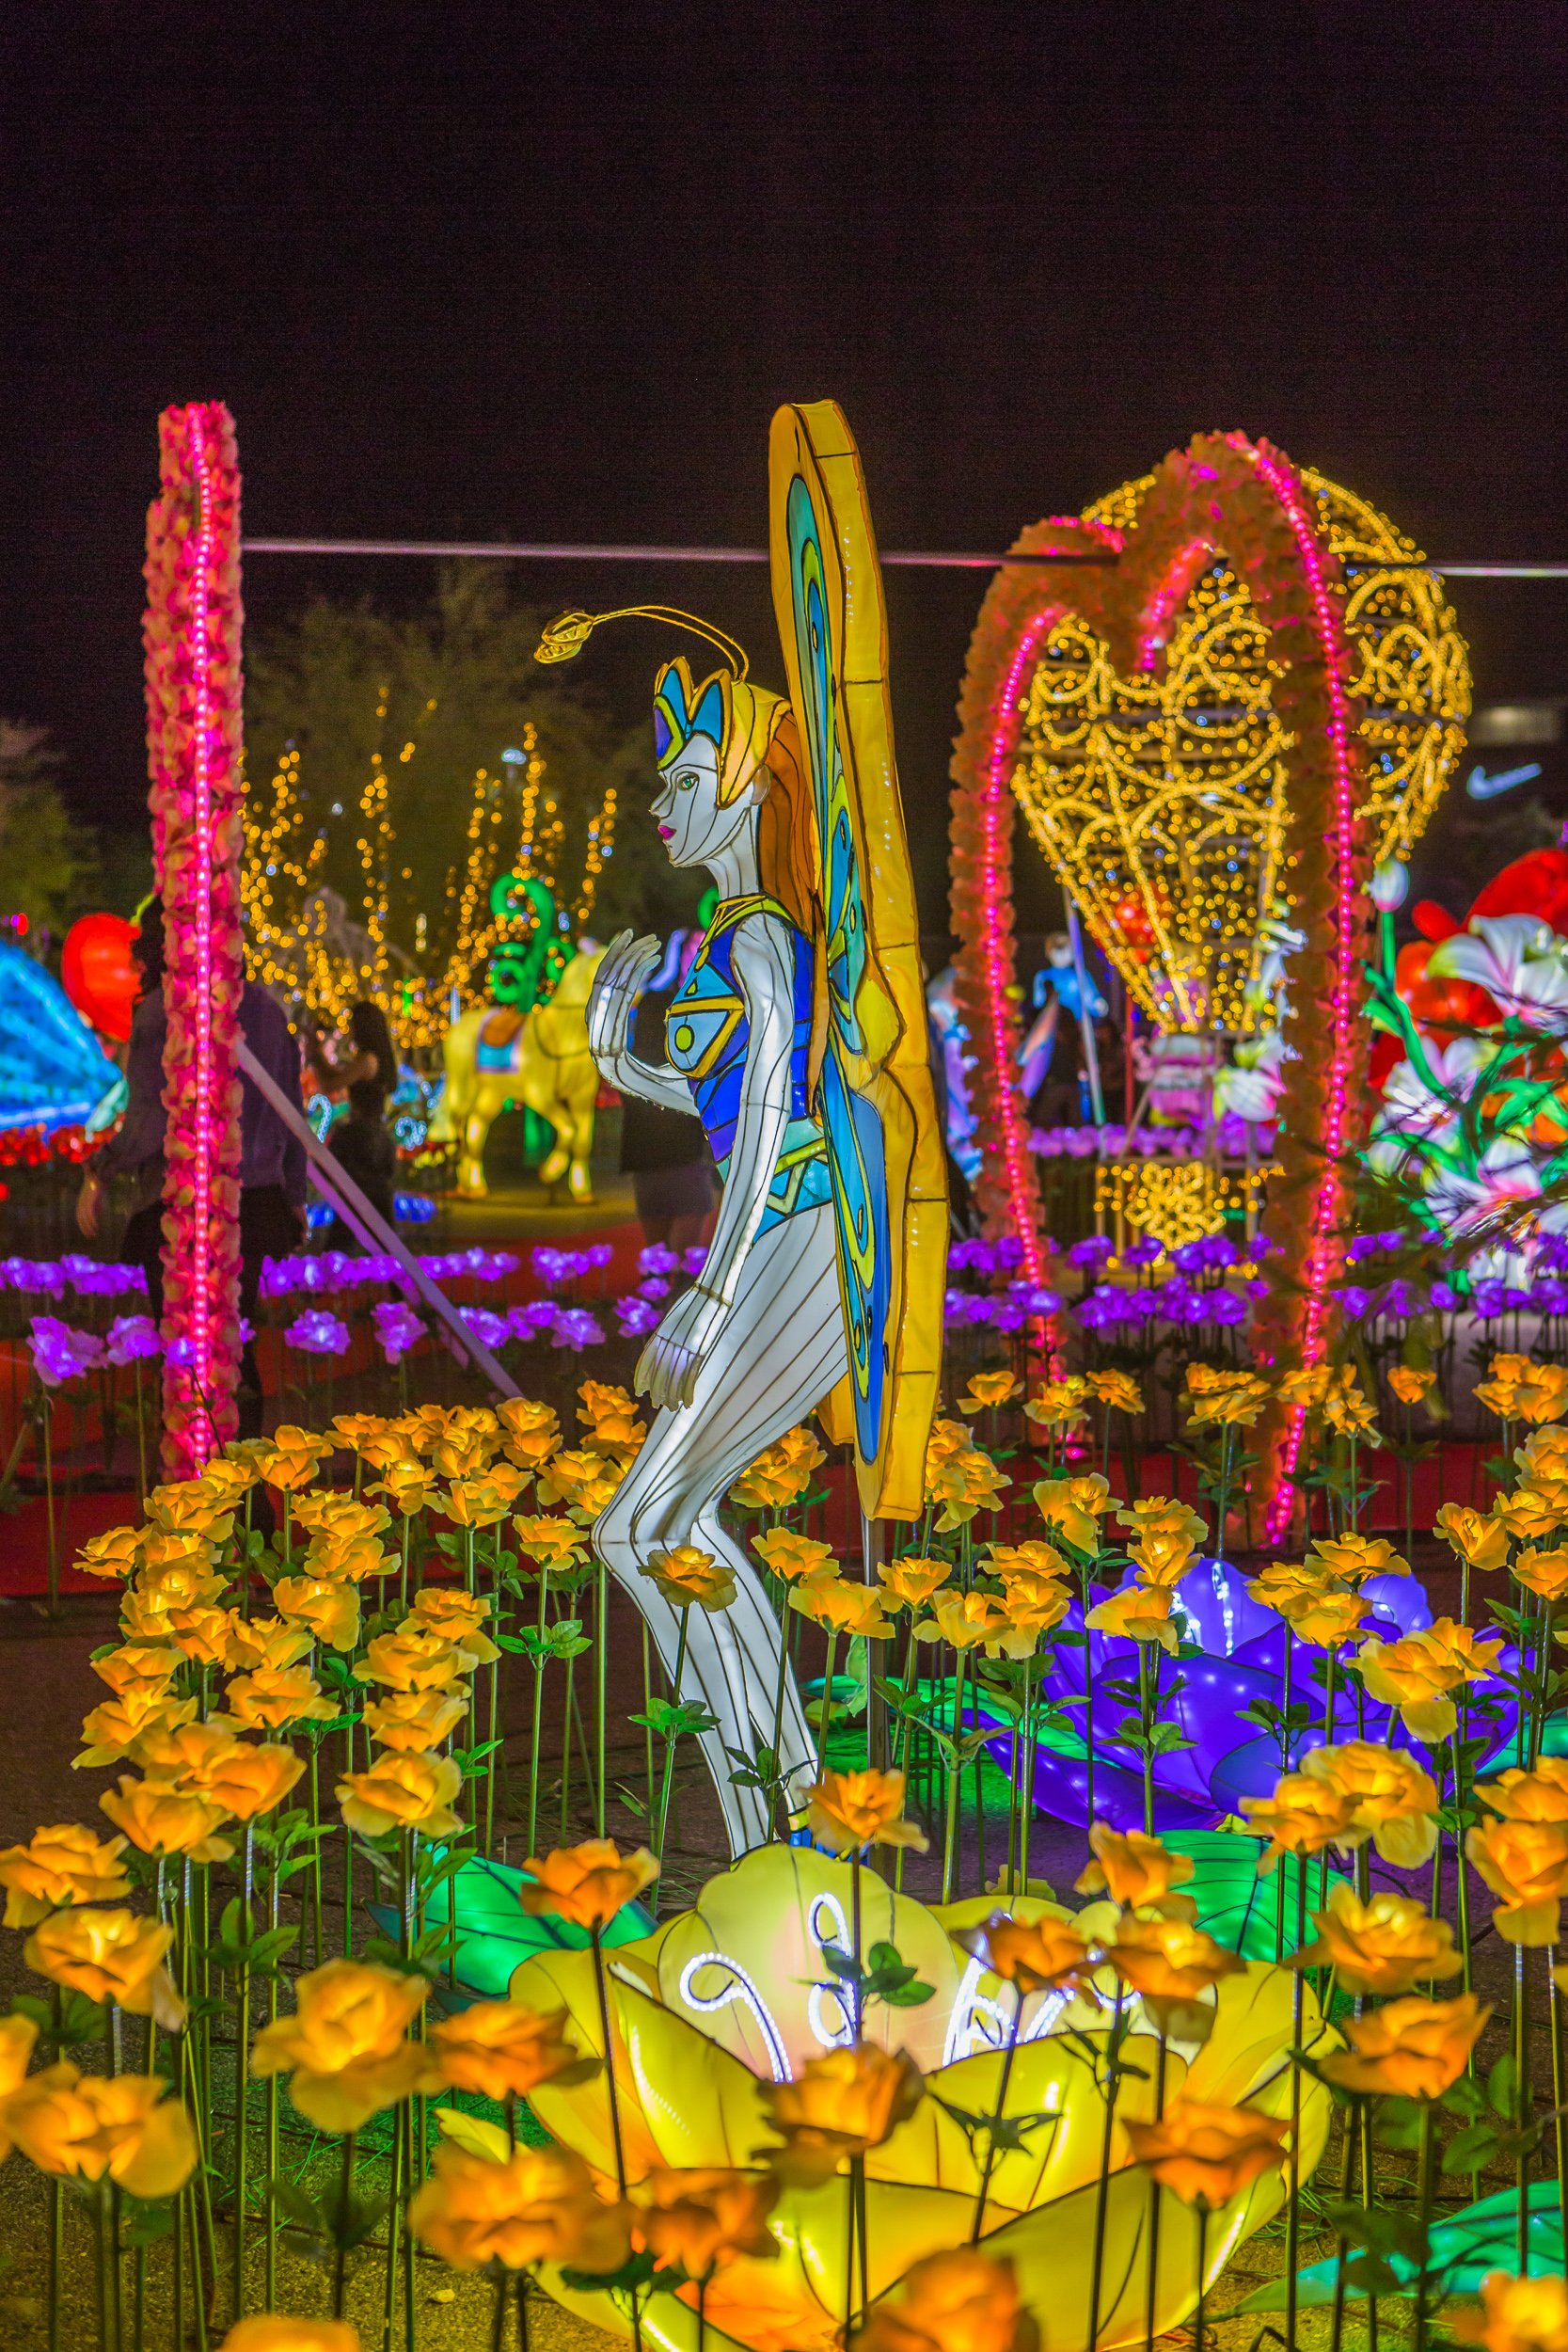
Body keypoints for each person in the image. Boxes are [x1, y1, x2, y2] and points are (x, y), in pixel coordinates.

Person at [78, 897, 309, 1436]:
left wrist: (98, 1172)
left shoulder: (162, 1010)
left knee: (184, 1353)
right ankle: (248, 1486)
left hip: (179, 1201)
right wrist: (293, 1194)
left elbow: (147, 1124)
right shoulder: (268, 1011)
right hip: (254, 1199)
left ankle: (200, 1487)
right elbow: (292, 1113)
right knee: (235, 1345)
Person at [617, 930, 717, 1250]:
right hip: (665, 1145)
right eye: (694, 949)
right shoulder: (660, 1003)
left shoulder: (660, 1002)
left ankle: (665, 1289)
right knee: (668, 1256)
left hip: (669, 1146)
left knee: (668, 1257)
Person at [326, 1076, 398, 1243]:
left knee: (339, 1251)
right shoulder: (384, 1136)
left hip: (351, 1198)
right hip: (380, 1198)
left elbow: (330, 1166)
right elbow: (391, 1169)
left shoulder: (345, 1133)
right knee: (385, 1251)